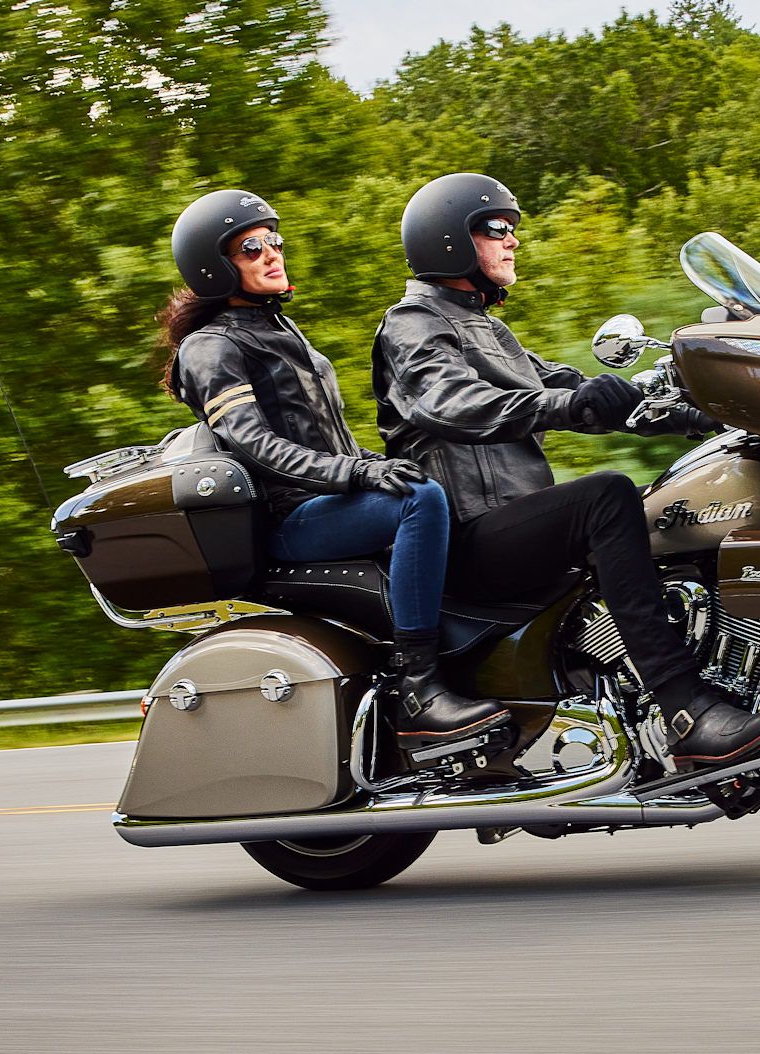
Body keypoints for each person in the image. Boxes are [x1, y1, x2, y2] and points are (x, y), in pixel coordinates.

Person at [371, 172, 760, 772]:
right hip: (465, 535)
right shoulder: (413, 325)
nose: (512, 240)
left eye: (513, 230)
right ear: (448, 242)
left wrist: (699, 411)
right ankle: (685, 707)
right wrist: (569, 406)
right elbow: (449, 402)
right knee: (607, 496)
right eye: (496, 229)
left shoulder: (484, 327)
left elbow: (573, 385)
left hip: (507, 525)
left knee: (671, 507)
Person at [158, 188, 509, 749]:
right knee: (418, 501)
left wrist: (377, 465)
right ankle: (420, 685)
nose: (272, 252)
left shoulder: (276, 330)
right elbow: (254, 444)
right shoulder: (211, 347)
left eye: (274, 241)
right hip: (290, 518)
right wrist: (357, 476)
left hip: (325, 500)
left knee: (433, 483)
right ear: (215, 266)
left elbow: (327, 438)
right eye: (251, 247)